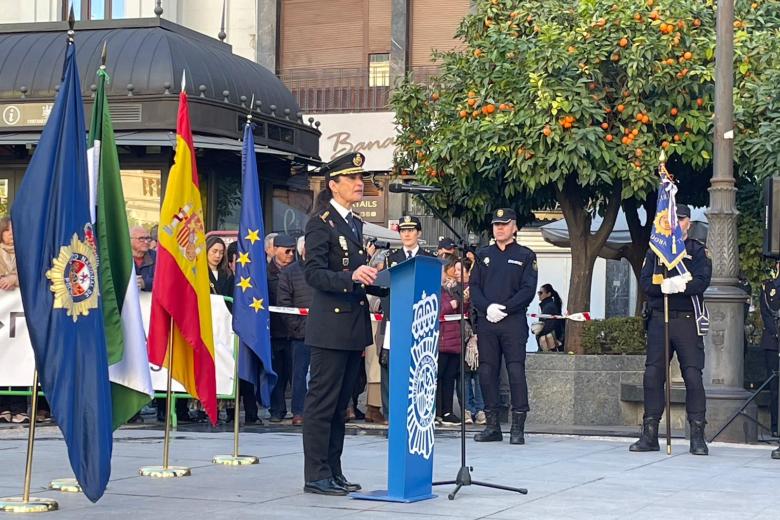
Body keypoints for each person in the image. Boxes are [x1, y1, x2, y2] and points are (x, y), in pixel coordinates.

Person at [302, 151, 385, 496]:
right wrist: (350, 276)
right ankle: (316, 473)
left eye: (360, 178)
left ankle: (333, 470)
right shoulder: (321, 221)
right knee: (323, 403)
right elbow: (314, 273)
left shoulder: (354, 223)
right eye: (351, 178)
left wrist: (376, 277)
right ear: (333, 185)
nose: (359, 184)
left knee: (341, 406)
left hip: (353, 325)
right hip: (330, 327)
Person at [631, 204, 712, 456]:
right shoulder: (656, 252)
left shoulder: (697, 251)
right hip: (659, 318)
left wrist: (678, 286)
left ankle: (697, 435)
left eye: (682, 219)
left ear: (689, 223)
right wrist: (664, 286)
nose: (677, 223)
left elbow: (701, 282)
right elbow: (646, 283)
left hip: (687, 321)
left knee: (692, 377)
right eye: (673, 219)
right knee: (653, 376)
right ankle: (650, 433)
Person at [470, 208, 537, 445]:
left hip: (513, 321)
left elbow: (528, 290)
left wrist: (505, 309)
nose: (499, 228)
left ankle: (517, 427)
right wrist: (487, 308)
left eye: (504, 224)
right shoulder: (483, 254)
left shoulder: (526, 255)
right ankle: (492, 425)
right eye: (496, 224)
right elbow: (474, 286)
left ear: (514, 227)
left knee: (516, 371)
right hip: (488, 321)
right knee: (487, 372)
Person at [378, 215, 434, 421]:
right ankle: (392, 416)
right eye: (403, 231)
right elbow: (385, 290)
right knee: (391, 370)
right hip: (396, 322)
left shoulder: (428, 258)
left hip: (421, 323)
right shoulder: (390, 259)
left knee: (417, 369)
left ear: (419, 233)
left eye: (411, 230)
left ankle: (417, 415)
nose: (407, 234)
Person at [278, 236, 313, 426]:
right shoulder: (290, 273)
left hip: (324, 331)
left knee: (322, 374)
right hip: (300, 333)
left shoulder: (325, 269)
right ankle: (298, 411)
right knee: (299, 373)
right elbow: (283, 303)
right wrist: (297, 327)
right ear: (302, 250)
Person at [0, 216, 27, 424]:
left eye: (14, 231)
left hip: (19, 319)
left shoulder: (25, 253)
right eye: (7, 231)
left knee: (18, 359)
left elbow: (31, 275)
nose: (11, 235)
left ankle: (19, 408)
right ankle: (3, 407)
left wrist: (15, 279)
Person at [268, 233, 296, 422]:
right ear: (275, 249)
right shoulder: (265, 273)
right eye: (286, 250)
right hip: (274, 330)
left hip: (294, 330)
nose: (290, 254)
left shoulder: (297, 271)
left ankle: (298, 410)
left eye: (293, 251)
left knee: (295, 373)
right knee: (276, 373)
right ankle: (277, 410)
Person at [437, 254, 468, 425]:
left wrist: (464, 300)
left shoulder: (449, 290)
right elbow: (437, 310)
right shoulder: (435, 290)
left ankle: (447, 411)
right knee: (437, 378)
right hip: (441, 342)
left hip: (454, 341)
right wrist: (453, 305)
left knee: (449, 377)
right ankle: (436, 411)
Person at [759, 263, 780, 458]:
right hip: (773, 342)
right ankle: (775, 427)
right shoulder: (769, 288)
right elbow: (767, 314)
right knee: (774, 387)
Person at [534, 284, 565, 352]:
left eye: (541, 293)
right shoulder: (549, 305)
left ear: (548, 294)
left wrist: (538, 331)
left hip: (550, 342)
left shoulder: (549, 307)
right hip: (552, 340)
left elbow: (549, 326)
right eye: (538, 293)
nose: (539, 295)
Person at [130, 225, 156, 291]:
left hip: (150, 299)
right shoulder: (121, 258)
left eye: (148, 238)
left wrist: (145, 283)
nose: (146, 242)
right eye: (141, 238)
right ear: (129, 239)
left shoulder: (157, 257)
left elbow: (166, 281)